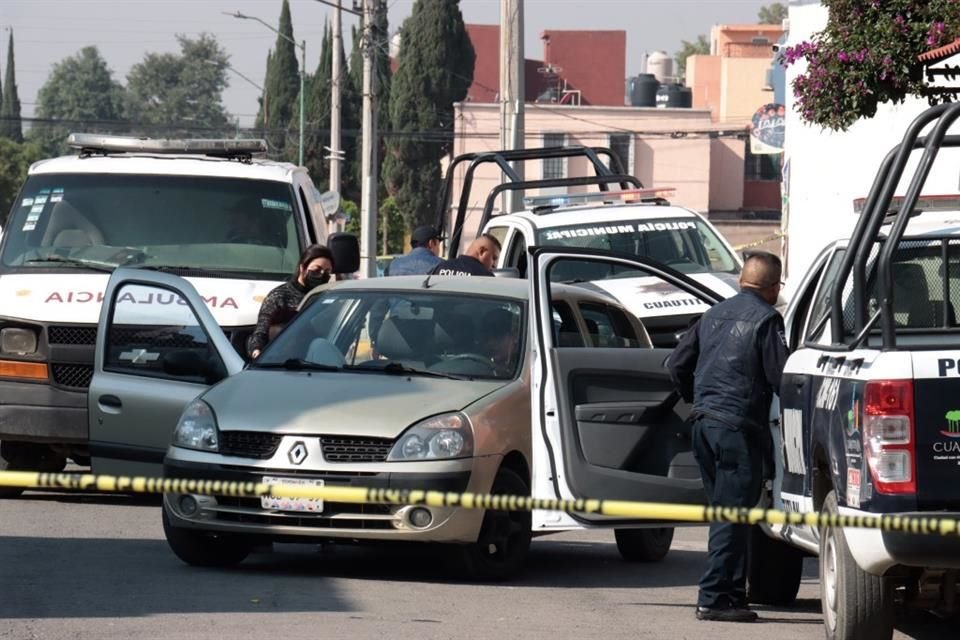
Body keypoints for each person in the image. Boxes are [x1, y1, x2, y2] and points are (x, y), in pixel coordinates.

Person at [667, 251, 788, 624]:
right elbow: (780, 376)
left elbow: (675, 365)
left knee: (730, 513)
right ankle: (714, 598)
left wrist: (697, 398)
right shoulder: (768, 320)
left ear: (741, 281)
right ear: (773, 288)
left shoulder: (711, 315)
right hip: (737, 427)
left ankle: (732, 594)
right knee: (731, 516)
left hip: (704, 425)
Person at [247, 244, 335, 359]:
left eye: (327, 272)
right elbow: (261, 332)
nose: (322, 275)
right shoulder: (280, 296)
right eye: (316, 270)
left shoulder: (326, 299)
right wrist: (257, 352)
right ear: (302, 268)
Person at [429, 234, 501, 277]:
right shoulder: (485, 277)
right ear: (481, 251)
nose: (494, 265)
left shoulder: (438, 268)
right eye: (494, 258)